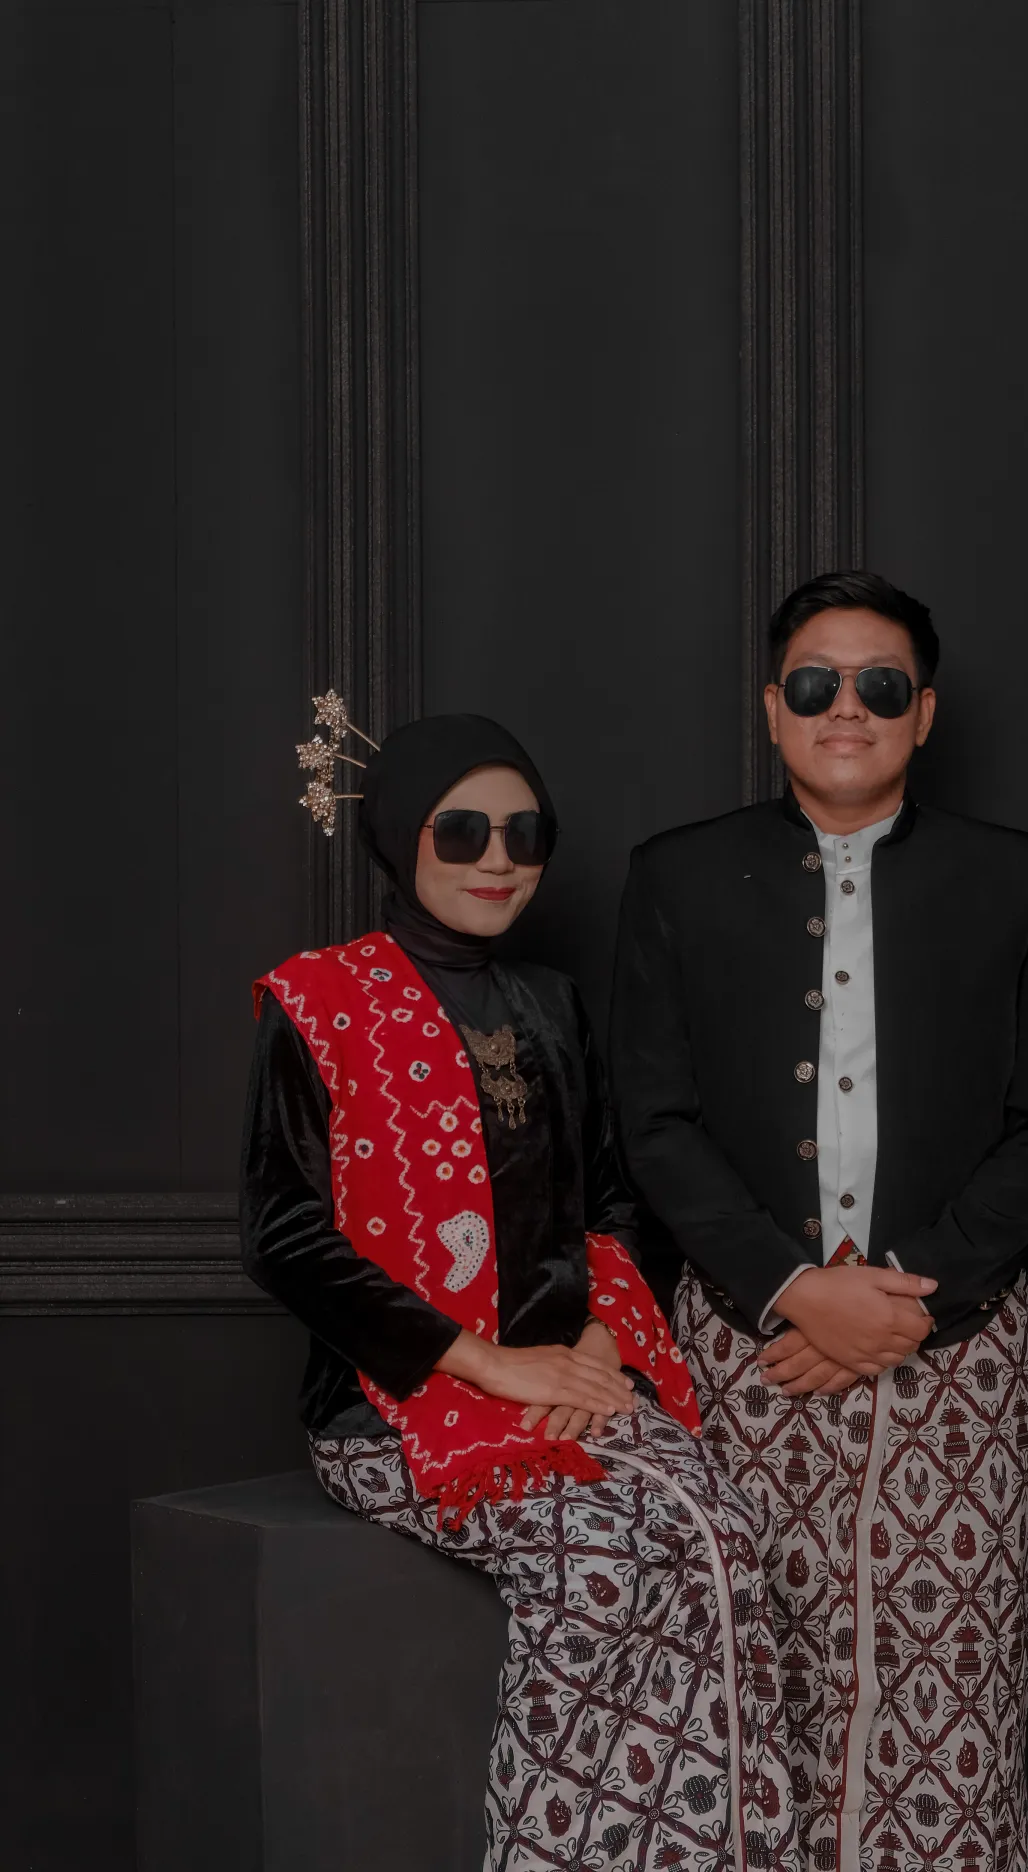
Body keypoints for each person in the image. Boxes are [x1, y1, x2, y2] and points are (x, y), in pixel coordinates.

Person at [240, 711, 800, 1872]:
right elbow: (284, 1237)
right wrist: (490, 1365)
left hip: (572, 1380)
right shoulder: (320, 1003)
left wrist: (598, 1344)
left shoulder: (552, 1006)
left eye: (524, 833)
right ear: (400, 837)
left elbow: (612, 1205)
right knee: (599, 1563)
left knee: (725, 1540)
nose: (497, 859)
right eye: (462, 831)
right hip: (399, 1410)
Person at [609, 572, 1028, 1872]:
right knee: (739, 1704)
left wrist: (905, 1296)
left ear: (924, 713)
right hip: (744, 1350)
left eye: (881, 685)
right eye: (816, 684)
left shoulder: (1021, 880)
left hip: (960, 1354)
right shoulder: (675, 876)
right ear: (773, 707)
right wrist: (792, 1287)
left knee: (953, 1713)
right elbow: (652, 1122)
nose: (848, 709)